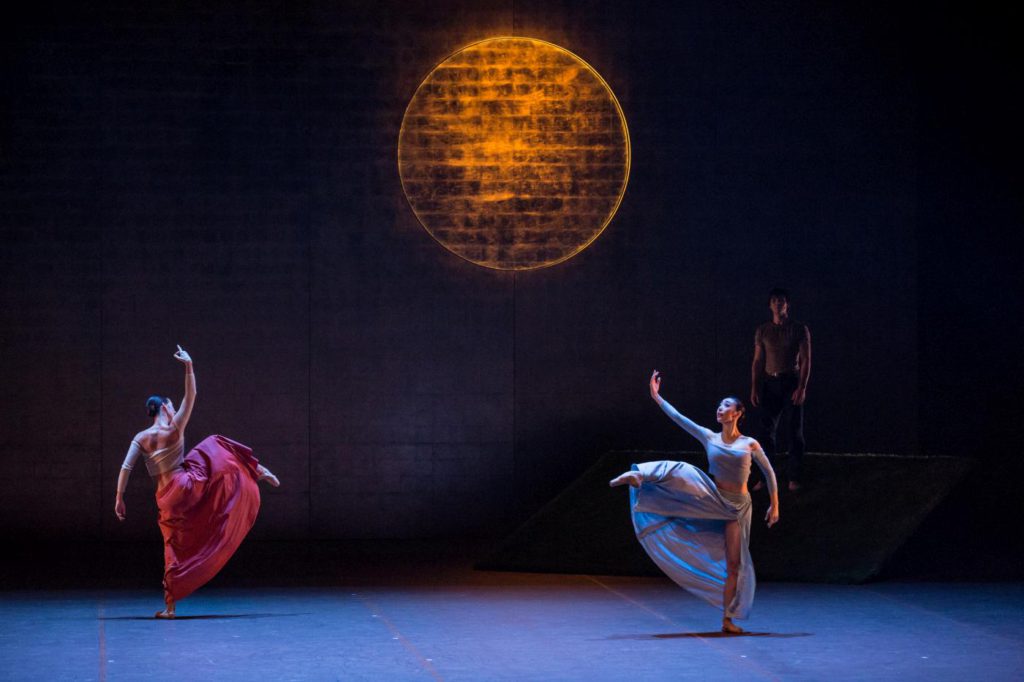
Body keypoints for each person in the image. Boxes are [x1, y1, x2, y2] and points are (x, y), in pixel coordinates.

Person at [114, 345, 280, 618]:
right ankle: (256, 469)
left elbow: (126, 466)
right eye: (170, 404)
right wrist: (189, 366)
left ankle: (170, 607)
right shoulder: (174, 426)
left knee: (172, 545)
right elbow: (191, 396)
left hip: (166, 498)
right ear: (166, 407)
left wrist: (119, 497)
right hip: (186, 486)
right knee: (213, 445)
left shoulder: (141, 437)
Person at [611, 370, 779, 634]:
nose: (719, 409)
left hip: (738, 508)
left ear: (737, 413)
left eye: (726, 406)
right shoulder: (709, 436)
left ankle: (727, 620)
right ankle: (640, 474)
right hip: (713, 498)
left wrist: (774, 504)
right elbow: (679, 418)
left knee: (734, 564)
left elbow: (769, 472)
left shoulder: (750, 444)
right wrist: (657, 397)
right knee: (684, 470)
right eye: (719, 405)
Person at [750, 288, 811, 491]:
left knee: (794, 431)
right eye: (775, 300)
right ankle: (766, 477)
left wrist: (802, 387)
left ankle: (794, 477)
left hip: (791, 382)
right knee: (765, 433)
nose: (778, 304)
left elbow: (805, 360)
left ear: (787, 304)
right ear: (770, 305)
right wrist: (755, 387)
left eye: (782, 301)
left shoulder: (799, 329)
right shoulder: (763, 330)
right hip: (769, 383)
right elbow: (758, 361)